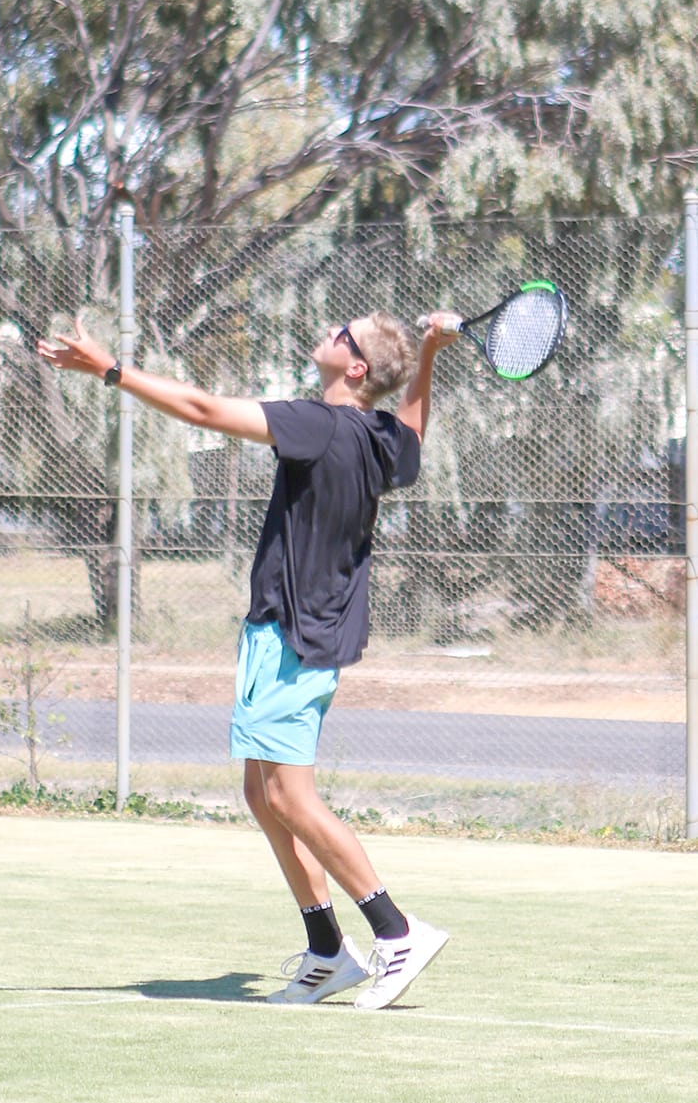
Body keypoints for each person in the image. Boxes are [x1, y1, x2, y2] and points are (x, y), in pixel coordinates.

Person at [37, 307, 459, 1009]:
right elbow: (413, 429)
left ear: (355, 367)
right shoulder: (383, 437)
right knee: (264, 797)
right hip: (292, 629)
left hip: (295, 633)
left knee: (290, 797)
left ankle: (397, 930)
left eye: (344, 334)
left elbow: (203, 410)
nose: (331, 330)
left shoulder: (320, 423)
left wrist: (110, 369)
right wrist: (431, 354)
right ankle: (328, 950)